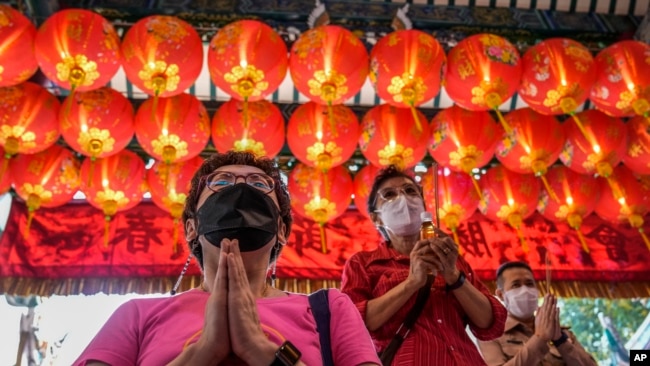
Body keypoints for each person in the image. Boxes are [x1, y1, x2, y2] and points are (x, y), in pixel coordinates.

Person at [74, 151, 381, 366]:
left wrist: (262, 352)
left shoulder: (330, 309)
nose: (241, 188)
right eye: (221, 183)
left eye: (259, 185)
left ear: (282, 229)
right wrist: (202, 354)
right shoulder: (137, 316)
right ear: (192, 227)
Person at [341, 165, 508, 365]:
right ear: (376, 217)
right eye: (389, 194)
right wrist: (412, 282)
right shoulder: (363, 264)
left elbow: (491, 324)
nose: (402, 198)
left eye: (410, 191)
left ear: (423, 206)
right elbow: (352, 325)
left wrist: (454, 276)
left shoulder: (451, 258)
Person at [477, 261, 597, 366]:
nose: (525, 290)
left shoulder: (562, 333)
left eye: (529, 284)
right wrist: (540, 338)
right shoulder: (491, 336)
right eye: (516, 285)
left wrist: (560, 340)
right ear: (501, 295)